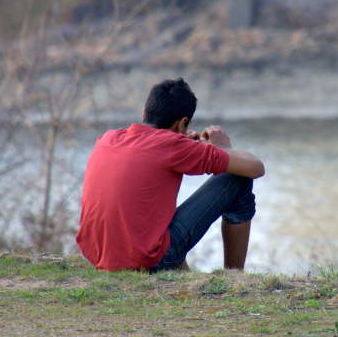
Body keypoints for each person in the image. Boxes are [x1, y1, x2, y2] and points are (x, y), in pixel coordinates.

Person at [76, 78, 265, 272]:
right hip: (146, 261)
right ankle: (234, 275)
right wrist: (224, 148)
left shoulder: (108, 138)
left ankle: (182, 273)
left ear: (144, 112)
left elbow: (157, 149)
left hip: (96, 256)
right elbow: (255, 168)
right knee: (237, 178)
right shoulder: (173, 147)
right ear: (183, 122)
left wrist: (182, 140)